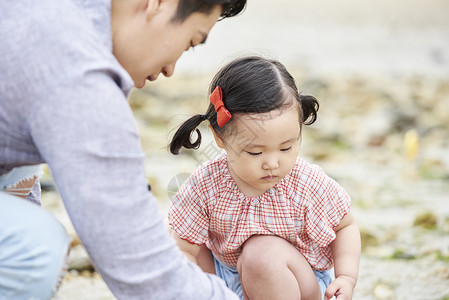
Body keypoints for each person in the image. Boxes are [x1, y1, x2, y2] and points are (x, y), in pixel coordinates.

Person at [0, 0, 246, 299]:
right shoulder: (77, 72)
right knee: (33, 249)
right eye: (189, 42)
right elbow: (138, 262)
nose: (170, 69)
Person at [168, 56, 361, 300]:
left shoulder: (306, 183)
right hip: (225, 281)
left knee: (261, 253)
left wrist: (346, 276)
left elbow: (345, 225)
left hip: (296, 282)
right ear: (220, 139)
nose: (272, 163)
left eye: (286, 148)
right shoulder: (207, 184)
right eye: (255, 152)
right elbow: (182, 249)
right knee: (183, 236)